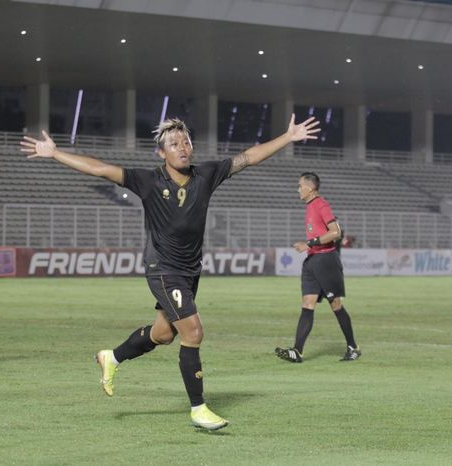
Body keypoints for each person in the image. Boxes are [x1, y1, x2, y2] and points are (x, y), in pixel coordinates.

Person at [21, 115, 320, 430]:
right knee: (193, 332)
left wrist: (287, 138)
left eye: (186, 142)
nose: (183, 148)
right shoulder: (149, 181)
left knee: (163, 334)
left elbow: (247, 158)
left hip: (190, 271)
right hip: (163, 268)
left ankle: (112, 357)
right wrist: (54, 153)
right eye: (174, 144)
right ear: (161, 153)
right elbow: (101, 168)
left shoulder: (206, 175)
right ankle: (198, 409)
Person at [275, 172, 361, 363]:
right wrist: (310, 247)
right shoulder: (310, 207)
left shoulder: (321, 205)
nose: (298, 189)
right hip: (312, 261)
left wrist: (309, 243)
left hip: (326, 261)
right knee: (307, 304)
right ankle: (297, 351)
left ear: (310, 188)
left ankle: (353, 347)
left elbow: (336, 232)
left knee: (335, 304)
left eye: (300, 186)